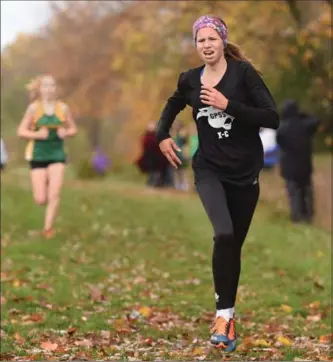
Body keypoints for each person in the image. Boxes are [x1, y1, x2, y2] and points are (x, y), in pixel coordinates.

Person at [157, 15, 279, 352]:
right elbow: (172, 104)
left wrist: (230, 106)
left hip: (245, 171)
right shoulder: (190, 80)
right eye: (201, 40)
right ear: (195, 45)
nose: (207, 45)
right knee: (223, 233)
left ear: (223, 41)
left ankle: (228, 315)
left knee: (232, 245)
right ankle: (222, 316)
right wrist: (161, 135)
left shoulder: (244, 75)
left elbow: (272, 117)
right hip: (208, 169)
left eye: (212, 39)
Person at [17, 75, 78, 238]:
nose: (49, 88)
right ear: (40, 89)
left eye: (52, 85)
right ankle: (43, 187)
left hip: (57, 154)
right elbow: (21, 131)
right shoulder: (33, 109)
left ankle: (47, 229)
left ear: (55, 89)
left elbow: (73, 129)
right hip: (37, 155)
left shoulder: (63, 108)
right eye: (46, 85)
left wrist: (65, 132)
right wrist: (37, 135)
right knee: (40, 199)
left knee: (55, 194)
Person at [276, 99, 319, 224]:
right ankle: (308, 216)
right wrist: (303, 115)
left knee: (294, 192)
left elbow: (280, 143)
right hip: (305, 165)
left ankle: (297, 217)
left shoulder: (282, 128)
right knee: (307, 191)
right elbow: (316, 121)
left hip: (289, 167)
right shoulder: (306, 125)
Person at [136, 122, 169, 187]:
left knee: (157, 171)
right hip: (149, 156)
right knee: (151, 171)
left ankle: (157, 183)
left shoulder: (157, 135)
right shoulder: (146, 136)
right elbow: (145, 145)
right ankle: (151, 182)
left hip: (158, 157)